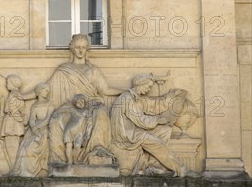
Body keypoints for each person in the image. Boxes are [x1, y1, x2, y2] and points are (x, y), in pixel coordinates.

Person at [48, 34, 123, 164]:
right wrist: (24, 95)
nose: (81, 51)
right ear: (72, 49)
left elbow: (106, 90)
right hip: (71, 106)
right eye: (77, 47)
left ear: (87, 49)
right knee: (55, 118)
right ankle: (60, 159)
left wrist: (126, 90)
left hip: (92, 104)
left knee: (101, 112)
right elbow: (46, 88)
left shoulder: (93, 70)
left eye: (83, 47)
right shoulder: (63, 70)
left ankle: (97, 149)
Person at [111, 74, 186, 177]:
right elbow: (140, 120)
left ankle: (153, 166)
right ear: (140, 84)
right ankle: (179, 170)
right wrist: (158, 120)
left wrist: (170, 97)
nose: (149, 89)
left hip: (134, 130)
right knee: (157, 143)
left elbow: (152, 105)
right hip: (128, 135)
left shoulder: (135, 98)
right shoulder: (127, 98)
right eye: (148, 86)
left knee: (165, 130)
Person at [11, 83, 55, 178]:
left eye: (48, 91)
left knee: (29, 150)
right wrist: (33, 127)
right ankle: (23, 171)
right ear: (39, 91)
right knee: (23, 148)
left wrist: (37, 127)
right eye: (45, 90)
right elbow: (32, 119)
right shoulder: (35, 105)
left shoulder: (49, 104)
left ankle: (30, 171)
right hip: (33, 130)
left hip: (43, 130)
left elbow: (48, 119)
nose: (47, 92)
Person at [0, 74, 27, 170]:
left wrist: (20, 119)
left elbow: (11, 110)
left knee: (11, 148)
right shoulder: (17, 94)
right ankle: (14, 168)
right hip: (15, 123)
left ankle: (13, 169)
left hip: (12, 124)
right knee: (13, 148)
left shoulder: (13, 95)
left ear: (12, 83)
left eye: (7, 82)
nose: (6, 85)